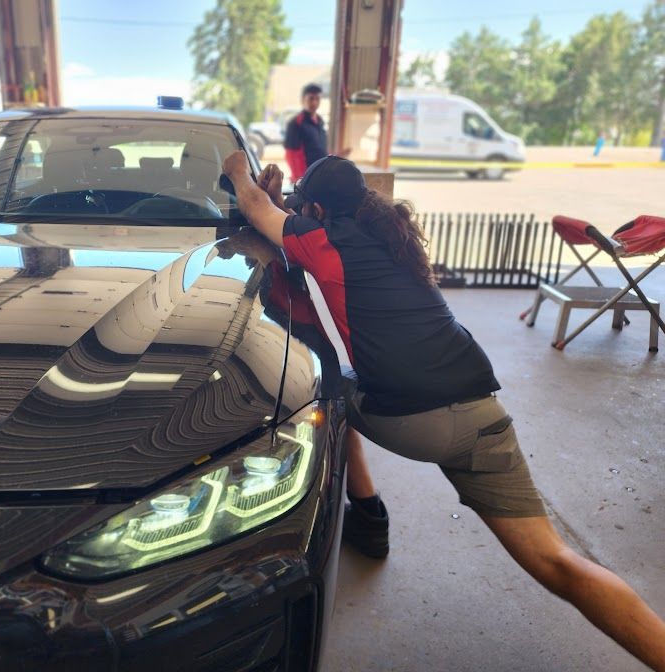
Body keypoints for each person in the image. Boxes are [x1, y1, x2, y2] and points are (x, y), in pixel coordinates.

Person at [221, 150, 665, 671]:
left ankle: (369, 515)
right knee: (558, 561)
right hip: (482, 416)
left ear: (316, 210)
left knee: (322, 384)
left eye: (302, 206)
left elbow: (254, 209)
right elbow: (280, 218)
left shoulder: (323, 240)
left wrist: (236, 171)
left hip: (413, 420)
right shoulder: (387, 239)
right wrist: (277, 202)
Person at [284, 83, 327, 182]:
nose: (314, 102)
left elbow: (321, 150)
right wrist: (301, 180)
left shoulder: (320, 122)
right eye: (311, 98)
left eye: (317, 99)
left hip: (321, 176)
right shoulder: (296, 123)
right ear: (303, 100)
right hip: (305, 180)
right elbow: (291, 155)